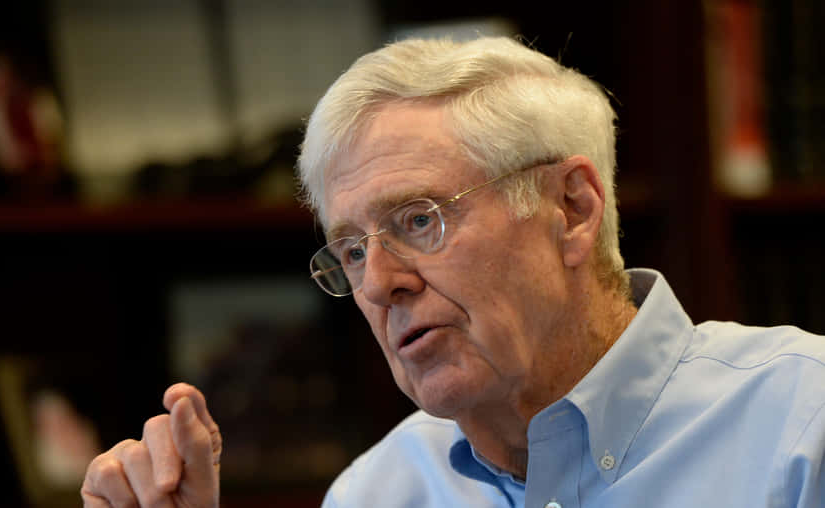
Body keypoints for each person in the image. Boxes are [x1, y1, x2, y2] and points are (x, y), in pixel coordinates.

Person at [81, 36, 825, 507]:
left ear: (571, 209)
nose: (378, 284)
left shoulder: (802, 428)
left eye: (417, 221)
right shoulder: (376, 495)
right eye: (351, 249)